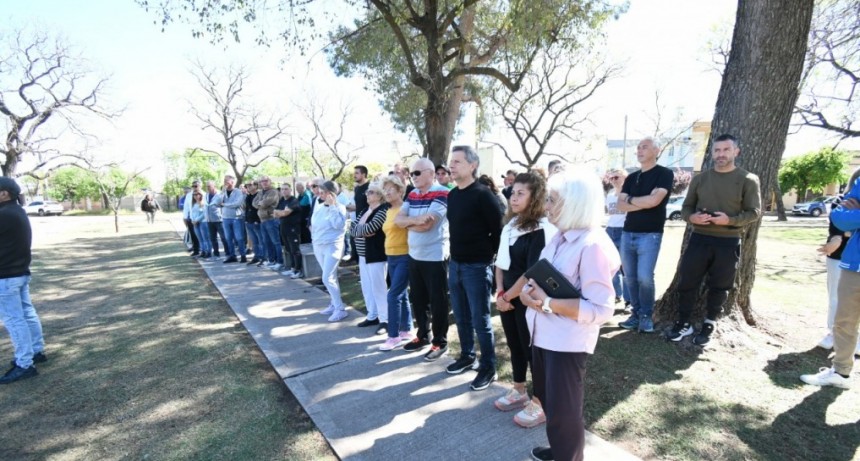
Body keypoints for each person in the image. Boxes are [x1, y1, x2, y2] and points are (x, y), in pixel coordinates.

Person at [517, 170, 619, 461]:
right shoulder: (561, 238)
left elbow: (601, 309)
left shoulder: (593, 245)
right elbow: (537, 277)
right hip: (543, 336)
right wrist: (526, 293)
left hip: (566, 343)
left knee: (564, 411)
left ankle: (568, 456)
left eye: (553, 200)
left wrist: (548, 304)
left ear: (575, 203)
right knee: (551, 404)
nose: (546, 205)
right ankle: (562, 451)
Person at [666, 134, 762, 345]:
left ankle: (710, 322)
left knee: (720, 286)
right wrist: (692, 217)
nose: (721, 154)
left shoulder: (748, 179)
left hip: (728, 242)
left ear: (736, 152)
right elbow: (686, 208)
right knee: (688, 282)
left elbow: (754, 212)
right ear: (712, 153)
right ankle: (683, 322)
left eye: (726, 150)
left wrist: (730, 220)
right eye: (717, 150)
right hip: (699, 239)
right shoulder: (700, 178)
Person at [493, 171, 556, 427]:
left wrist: (508, 295)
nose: (513, 197)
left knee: (533, 352)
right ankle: (519, 390)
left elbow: (531, 273)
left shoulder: (542, 229)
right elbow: (500, 262)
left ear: (536, 197)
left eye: (521, 193)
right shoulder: (511, 225)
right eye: (513, 192)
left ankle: (540, 403)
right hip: (506, 298)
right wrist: (499, 293)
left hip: (527, 300)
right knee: (515, 346)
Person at [445, 146, 504, 391]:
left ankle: (489, 367)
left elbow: (499, 231)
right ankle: (468, 355)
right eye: (451, 161)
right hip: (455, 264)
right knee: (460, 315)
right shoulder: (452, 195)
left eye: (457, 161)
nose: (452, 165)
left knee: (481, 319)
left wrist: (486, 255)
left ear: (472, 165)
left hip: (477, 267)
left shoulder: (483, 194)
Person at [800, 167, 860, 389]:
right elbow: (839, 217)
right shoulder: (859, 183)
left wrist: (857, 216)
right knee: (845, 320)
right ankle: (841, 372)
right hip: (854, 263)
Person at [394, 157, 450, 361]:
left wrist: (407, 223)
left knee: (438, 301)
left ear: (430, 173)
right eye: (412, 173)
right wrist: (415, 220)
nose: (413, 176)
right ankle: (422, 336)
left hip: (435, 256)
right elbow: (396, 220)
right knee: (418, 299)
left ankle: (440, 342)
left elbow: (428, 226)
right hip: (414, 255)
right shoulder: (413, 194)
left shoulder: (443, 193)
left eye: (417, 173)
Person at [616, 137, 674, 333]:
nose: (639, 150)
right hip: (628, 233)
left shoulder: (664, 174)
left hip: (650, 235)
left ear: (656, 150)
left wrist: (632, 200)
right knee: (630, 278)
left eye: (645, 147)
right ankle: (635, 314)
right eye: (638, 147)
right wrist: (641, 200)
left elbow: (654, 202)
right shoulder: (631, 178)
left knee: (645, 277)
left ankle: (646, 316)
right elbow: (621, 205)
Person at [0, 177, 47, 384]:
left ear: (4, 193)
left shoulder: (5, 214)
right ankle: (36, 351)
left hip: (7, 276)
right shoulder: (16, 211)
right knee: (27, 313)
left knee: (14, 319)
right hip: (18, 273)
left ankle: (25, 364)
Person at [379, 175, 415, 351]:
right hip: (391, 256)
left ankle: (393, 336)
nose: (386, 193)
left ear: (400, 191)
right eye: (385, 190)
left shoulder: (406, 209)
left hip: (404, 256)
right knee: (401, 294)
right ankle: (406, 330)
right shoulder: (388, 210)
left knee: (393, 295)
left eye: (390, 189)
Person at [351, 181, 390, 333]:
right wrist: (362, 231)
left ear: (380, 195)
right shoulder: (364, 211)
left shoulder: (383, 210)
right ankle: (372, 315)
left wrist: (360, 230)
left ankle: (385, 320)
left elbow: (372, 228)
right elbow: (353, 228)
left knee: (379, 288)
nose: (367, 195)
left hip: (376, 255)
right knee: (367, 287)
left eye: (371, 192)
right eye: (367, 192)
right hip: (362, 255)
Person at [816, 197, 851, 350]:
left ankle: (854, 338)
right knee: (836, 297)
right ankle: (833, 332)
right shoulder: (841, 201)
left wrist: (845, 234)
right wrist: (843, 235)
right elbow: (837, 226)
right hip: (838, 257)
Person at [313, 181, 350, 322]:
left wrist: (333, 206)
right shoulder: (319, 205)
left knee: (327, 277)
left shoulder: (340, 207)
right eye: (319, 192)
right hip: (319, 245)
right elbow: (315, 224)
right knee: (330, 278)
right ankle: (334, 303)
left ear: (331, 194)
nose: (319, 194)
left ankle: (340, 309)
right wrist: (314, 240)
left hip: (333, 246)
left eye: (323, 192)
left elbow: (338, 225)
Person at [605, 169, 630, 307]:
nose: (614, 180)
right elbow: (611, 214)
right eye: (611, 177)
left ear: (624, 178)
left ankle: (629, 299)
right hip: (610, 230)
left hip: (623, 231)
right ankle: (616, 294)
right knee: (611, 266)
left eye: (617, 177)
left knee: (625, 267)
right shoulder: (609, 195)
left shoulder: (628, 194)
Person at [212, 175, 248, 263]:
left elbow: (237, 204)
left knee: (239, 238)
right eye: (224, 180)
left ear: (233, 182)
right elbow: (216, 203)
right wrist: (222, 192)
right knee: (228, 238)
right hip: (225, 218)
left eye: (227, 180)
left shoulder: (238, 192)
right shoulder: (222, 192)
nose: (225, 182)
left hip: (236, 218)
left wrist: (224, 204)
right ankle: (232, 256)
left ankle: (243, 256)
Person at [273, 184, 304, 278]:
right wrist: (281, 213)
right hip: (283, 227)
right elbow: (275, 213)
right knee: (288, 249)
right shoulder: (281, 200)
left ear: (290, 190)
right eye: (282, 189)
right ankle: (292, 268)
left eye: (286, 189)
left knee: (295, 250)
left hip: (293, 229)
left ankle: (298, 270)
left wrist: (282, 212)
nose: (284, 191)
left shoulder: (294, 201)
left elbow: (285, 213)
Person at [253, 176, 283, 270]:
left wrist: (260, 204)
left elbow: (266, 202)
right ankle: (271, 260)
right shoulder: (260, 192)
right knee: (267, 242)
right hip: (262, 220)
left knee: (276, 242)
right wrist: (260, 204)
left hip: (271, 219)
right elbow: (254, 203)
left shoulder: (273, 192)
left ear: (270, 181)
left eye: (266, 181)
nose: (264, 183)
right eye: (262, 181)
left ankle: (279, 262)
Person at [205, 180, 228, 259]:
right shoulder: (206, 195)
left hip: (219, 219)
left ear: (214, 186)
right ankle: (216, 254)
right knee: (212, 238)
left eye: (209, 186)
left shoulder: (219, 194)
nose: (207, 188)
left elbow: (223, 204)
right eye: (207, 186)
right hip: (209, 220)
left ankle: (227, 253)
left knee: (223, 237)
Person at [244, 180, 265, 265]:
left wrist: (258, 220)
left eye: (250, 185)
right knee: (254, 241)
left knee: (261, 241)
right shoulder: (248, 196)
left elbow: (259, 208)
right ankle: (256, 256)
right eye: (247, 185)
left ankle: (264, 257)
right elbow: (246, 208)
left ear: (256, 186)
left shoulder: (259, 195)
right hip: (249, 221)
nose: (248, 186)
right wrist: (246, 220)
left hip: (257, 221)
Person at [190, 191, 212, 259]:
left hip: (203, 222)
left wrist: (197, 220)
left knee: (205, 238)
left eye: (197, 194)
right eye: (194, 195)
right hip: (195, 223)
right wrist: (193, 220)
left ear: (201, 195)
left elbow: (204, 214)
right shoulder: (193, 204)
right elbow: (192, 213)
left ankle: (208, 251)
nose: (196, 196)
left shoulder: (203, 203)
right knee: (200, 238)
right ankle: (203, 251)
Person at [182, 181, 201, 256]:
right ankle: (196, 250)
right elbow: (186, 207)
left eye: (196, 186)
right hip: (191, 218)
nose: (194, 188)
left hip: (201, 218)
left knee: (201, 235)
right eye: (193, 186)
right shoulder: (189, 195)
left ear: (200, 186)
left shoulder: (204, 194)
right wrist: (185, 217)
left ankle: (204, 250)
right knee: (193, 235)